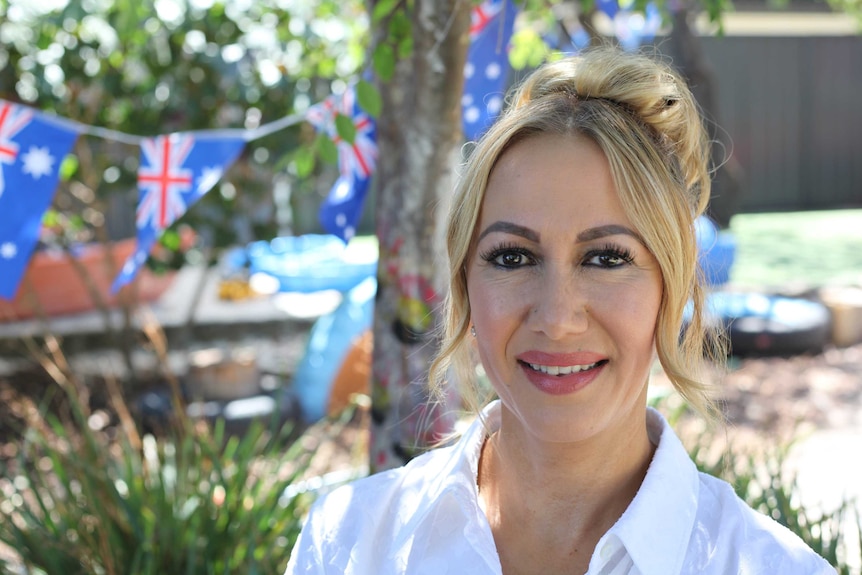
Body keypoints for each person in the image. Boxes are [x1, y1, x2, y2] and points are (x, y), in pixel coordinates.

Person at [285, 46, 834, 574]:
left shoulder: (765, 566)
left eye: (605, 257)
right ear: (465, 287)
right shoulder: (349, 544)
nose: (557, 316)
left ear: (671, 288)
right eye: (513, 256)